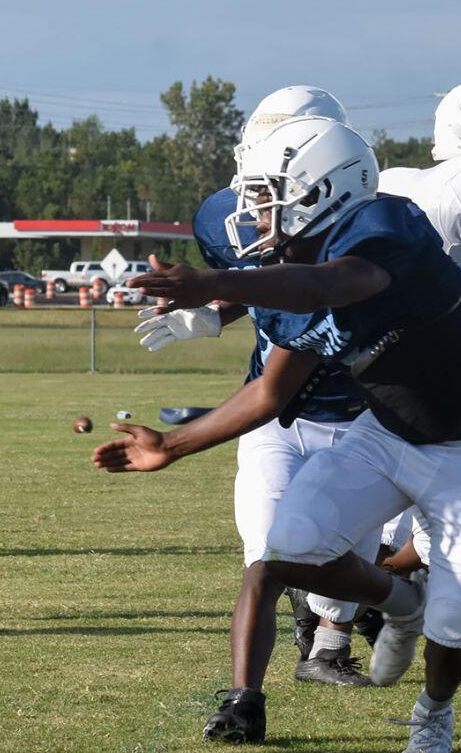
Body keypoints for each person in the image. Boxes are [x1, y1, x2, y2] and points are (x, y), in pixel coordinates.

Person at [100, 117, 461, 752]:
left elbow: (331, 286)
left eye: (266, 195)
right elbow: (271, 391)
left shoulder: (386, 224)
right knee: (282, 550)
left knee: (455, 620)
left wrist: (215, 284)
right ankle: (394, 601)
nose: (253, 213)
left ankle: (432, 712)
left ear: (321, 190)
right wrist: (171, 446)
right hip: (384, 435)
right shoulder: (289, 275)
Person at [136, 85, 380, 748]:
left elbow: (304, 286)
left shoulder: (378, 236)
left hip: (364, 419)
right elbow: (269, 282)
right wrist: (213, 312)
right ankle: (245, 696)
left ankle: (336, 637)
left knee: (340, 573)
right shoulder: (231, 217)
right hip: (275, 412)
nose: (261, 204)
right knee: (265, 555)